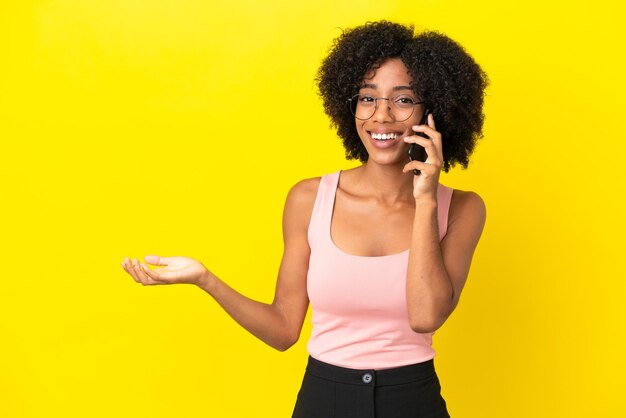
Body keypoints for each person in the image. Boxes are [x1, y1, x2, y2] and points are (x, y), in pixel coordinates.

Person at [122, 20, 488, 418]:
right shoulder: (309, 199)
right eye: (367, 98)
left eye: (403, 100)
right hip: (324, 400)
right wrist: (204, 279)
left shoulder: (463, 208)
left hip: (412, 399)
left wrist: (425, 200)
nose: (381, 116)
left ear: (432, 111)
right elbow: (283, 330)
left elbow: (425, 316)